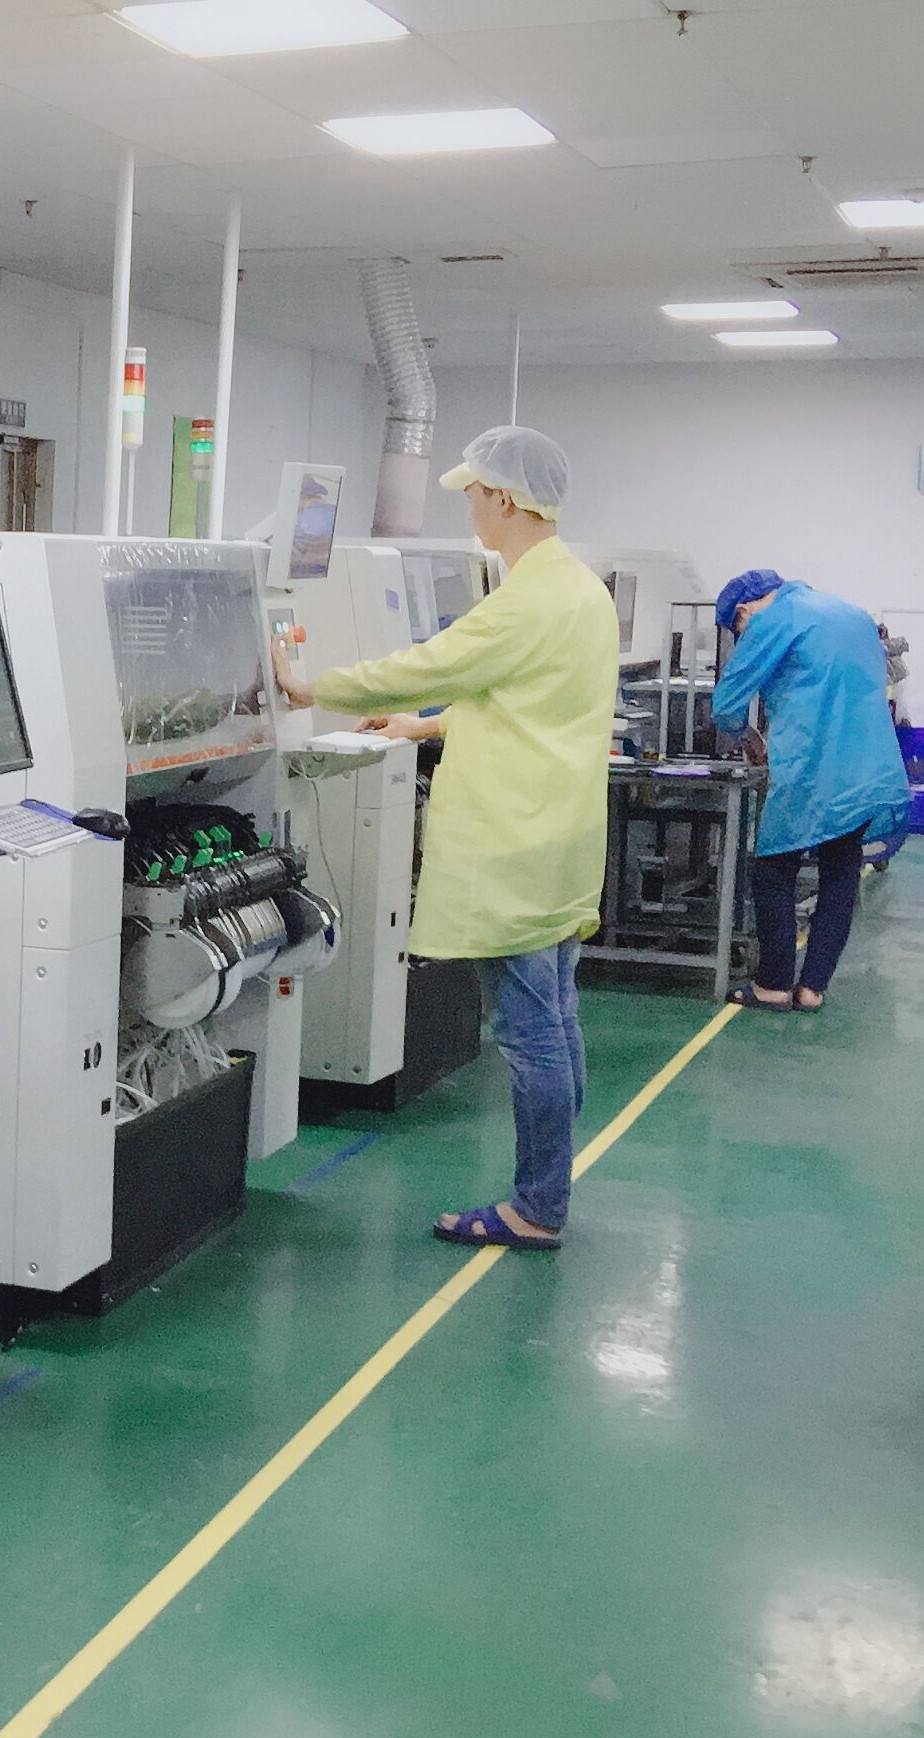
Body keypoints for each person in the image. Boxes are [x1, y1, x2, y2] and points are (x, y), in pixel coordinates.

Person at [274, 425, 618, 1250]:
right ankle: (551, 1177)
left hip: (514, 843)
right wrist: (422, 728)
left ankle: (538, 1205)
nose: (468, 508)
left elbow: (428, 663)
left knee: (528, 1033)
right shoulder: (581, 589)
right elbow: (521, 701)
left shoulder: (525, 599)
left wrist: (307, 685)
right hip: (561, 838)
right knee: (557, 1016)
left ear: (501, 497)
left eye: (472, 493)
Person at [709, 570, 911, 1011]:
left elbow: (726, 704)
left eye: (737, 630)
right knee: (841, 870)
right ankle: (812, 988)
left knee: (773, 869)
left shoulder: (771, 620)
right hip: (868, 765)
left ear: (742, 611)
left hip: (812, 766)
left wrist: (746, 736)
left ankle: (773, 985)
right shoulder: (853, 614)